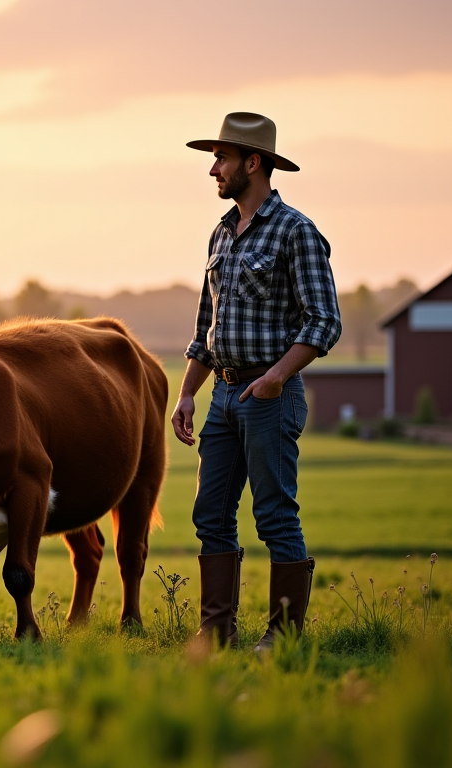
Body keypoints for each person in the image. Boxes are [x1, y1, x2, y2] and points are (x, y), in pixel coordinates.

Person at [174, 112, 341, 651]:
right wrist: (186, 394)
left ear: (253, 162)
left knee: (274, 516)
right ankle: (216, 633)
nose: (212, 170)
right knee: (211, 516)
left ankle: (283, 637)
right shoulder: (220, 233)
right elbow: (207, 327)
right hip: (221, 394)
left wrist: (275, 378)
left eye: (220, 159)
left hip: (270, 397)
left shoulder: (297, 231)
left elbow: (324, 321)